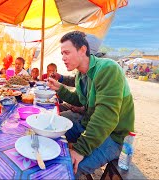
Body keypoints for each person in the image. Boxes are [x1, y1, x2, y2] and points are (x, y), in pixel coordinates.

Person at [47, 31, 134, 178]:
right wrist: (59, 89)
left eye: (66, 53)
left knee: (68, 169)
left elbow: (106, 118)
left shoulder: (108, 68)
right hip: (88, 123)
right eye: (62, 54)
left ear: (82, 50)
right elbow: (79, 100)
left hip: (113, 136)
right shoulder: (81, 74)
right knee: (49, 128)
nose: (63, 58)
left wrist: (80, 149)